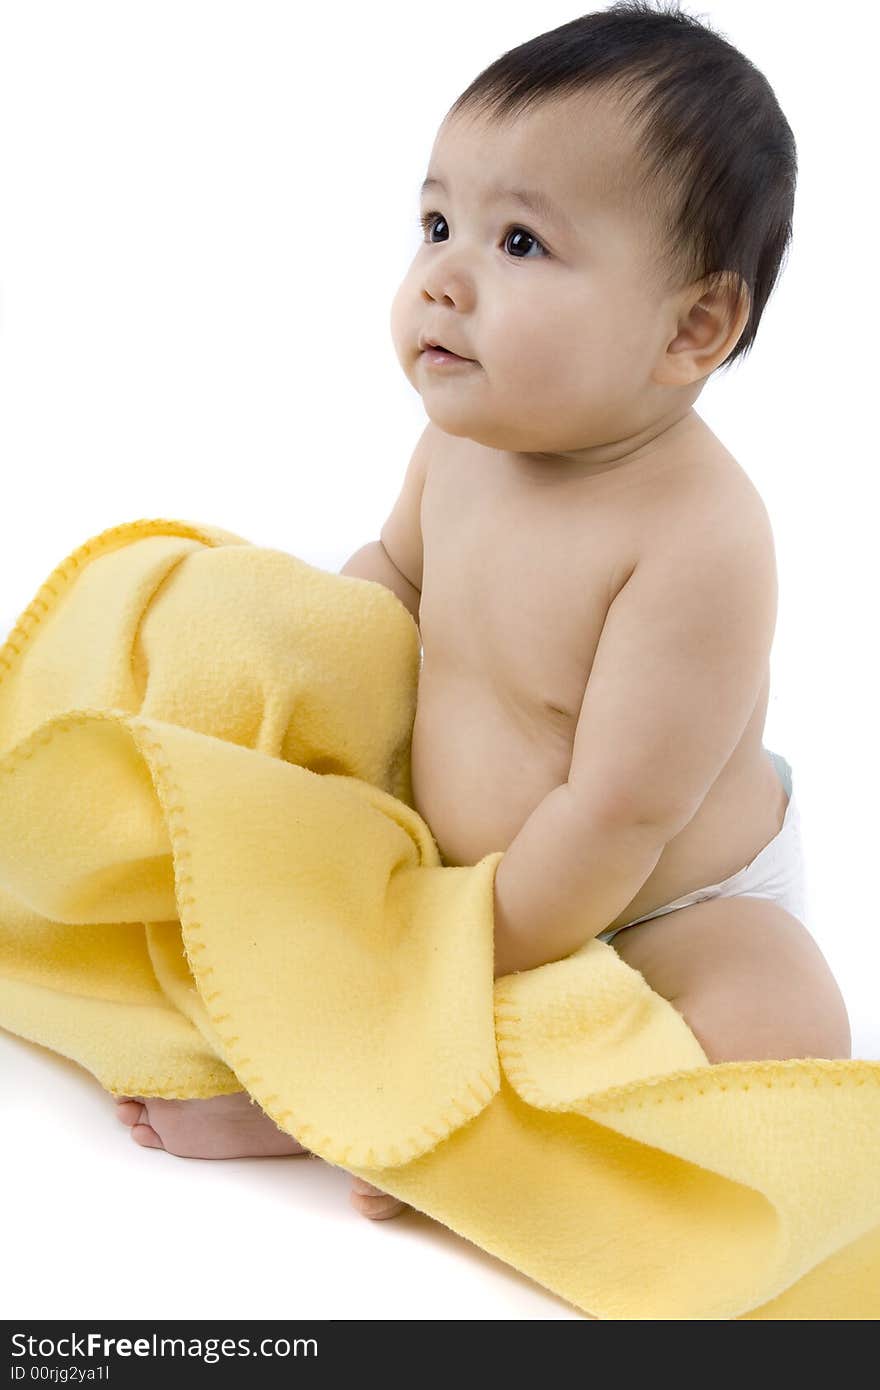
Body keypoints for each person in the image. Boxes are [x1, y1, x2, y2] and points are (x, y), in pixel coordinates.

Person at [116, 2, 851, 1220]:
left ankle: (429, 1123)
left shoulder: (698, 537)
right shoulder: (458, 442)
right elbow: (393, 584)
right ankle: (370, 1084)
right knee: (245, 885)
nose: (444, 281)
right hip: (456, 859)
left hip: (661, 900)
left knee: (783, 1028)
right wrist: (295, 695)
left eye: (519, 244)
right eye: (437, 223)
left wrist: (434, 977)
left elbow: (616, 815)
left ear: (692, 327)